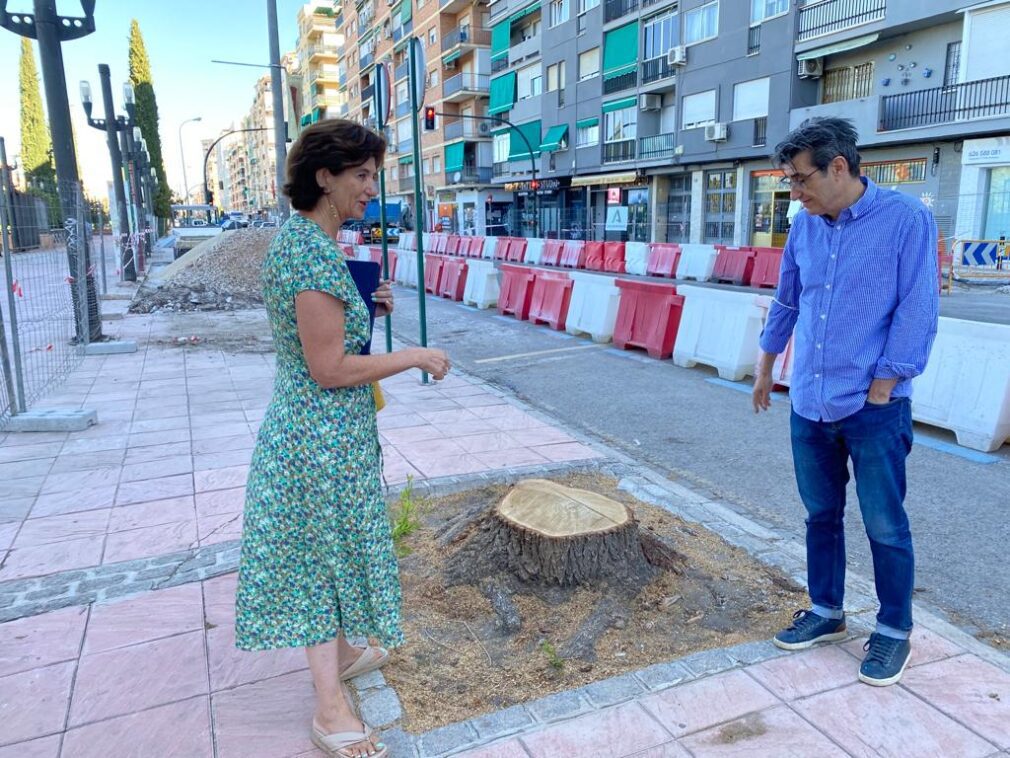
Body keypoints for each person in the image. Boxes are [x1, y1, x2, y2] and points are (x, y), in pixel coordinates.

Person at [234, 119, 451, 758]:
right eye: (360, 175)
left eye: (373, 175)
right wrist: (412, 354)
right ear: (323, 177)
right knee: (319, 567)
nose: (370, 188)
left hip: (330, 438)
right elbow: (328, 370)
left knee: (334, 557)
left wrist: (368, 307)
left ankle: (348, 653)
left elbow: (323, 341)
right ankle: (330, 711)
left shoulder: (318, 247)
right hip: (316, 441)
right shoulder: (307, 250)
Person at [752, 117, 939, 687]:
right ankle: (827, 612)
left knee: (884, 523)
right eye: (788, 181)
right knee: (820, 515)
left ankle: (892, 631)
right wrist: (766, 368)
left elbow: (917, 308)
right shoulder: (805, 226)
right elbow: (787, 300)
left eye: (801, 179)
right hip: (808, 399)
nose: (795, 191)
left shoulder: (906, 219)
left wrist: (885, 385)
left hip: (872, 405)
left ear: (839, 166)